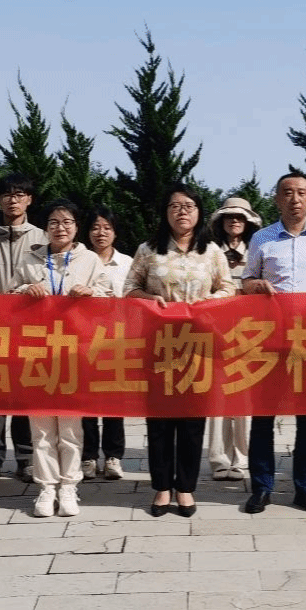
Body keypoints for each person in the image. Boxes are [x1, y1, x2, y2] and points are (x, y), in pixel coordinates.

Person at [125, 184, 235, 517]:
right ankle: (161, 487)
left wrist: (207, 303)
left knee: (191, 419)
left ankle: (185, 487)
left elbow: (229, 288)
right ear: (165, 212)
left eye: (189, 205)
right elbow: (129, 289)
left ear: (199, 212)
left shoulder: (212, 252)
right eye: (175, 205)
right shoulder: (148, 250)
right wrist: (150, 299)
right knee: (160, 420)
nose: (182, 211)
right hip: (158, 345)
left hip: (198, 345)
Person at [240, 172, 306, 514]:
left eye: (301, 192)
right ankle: (261, 487)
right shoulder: (262, 238)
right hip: (269, 338)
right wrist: (256, 286)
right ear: (276, 199)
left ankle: (305, 487)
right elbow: (247, 281)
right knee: (263, 417)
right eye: (287, 192)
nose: (294, 199)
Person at [12, 199, 113, 518]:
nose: (60, 228)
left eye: (67, 222)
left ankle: (69, 485)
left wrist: (90, 293)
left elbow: (111, 299)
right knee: (41, 426)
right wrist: (27, 289)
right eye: (54, 222)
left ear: (77, 227)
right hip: (37, 352)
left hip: (74, 352)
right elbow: (8, 297)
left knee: (70, 426)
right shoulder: (29, 259)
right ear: (45, 227)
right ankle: (46, 487)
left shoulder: (90, 260)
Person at [0, 173, 46, 485]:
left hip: (30, 328)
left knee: (27, 394)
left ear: (29, 200)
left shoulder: (42, 237)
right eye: (7, 195)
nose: (13, 200)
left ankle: (26, 459)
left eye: (19, 194)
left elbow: (43, 280)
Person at [206, 196, 261, 481]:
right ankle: (218, 460)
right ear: (221, 222)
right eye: (229, 217)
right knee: (216, 398)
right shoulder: (209, 251)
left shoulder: (256, 250)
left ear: (249, 222)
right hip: (215, 331)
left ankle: (241, 459)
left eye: (240, 217)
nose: (235, 222)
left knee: (244, 398)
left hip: (248, 332)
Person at [81, 204, 131, 481]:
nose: (101, 233)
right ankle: (88, 456)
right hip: (84, 339)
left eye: (107, 228)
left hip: (116, 340)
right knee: (86, 401)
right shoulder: (79, 260)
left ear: (115, 232)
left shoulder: (127, 263)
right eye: (95, 227)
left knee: (114, 401)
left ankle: (113, 456)